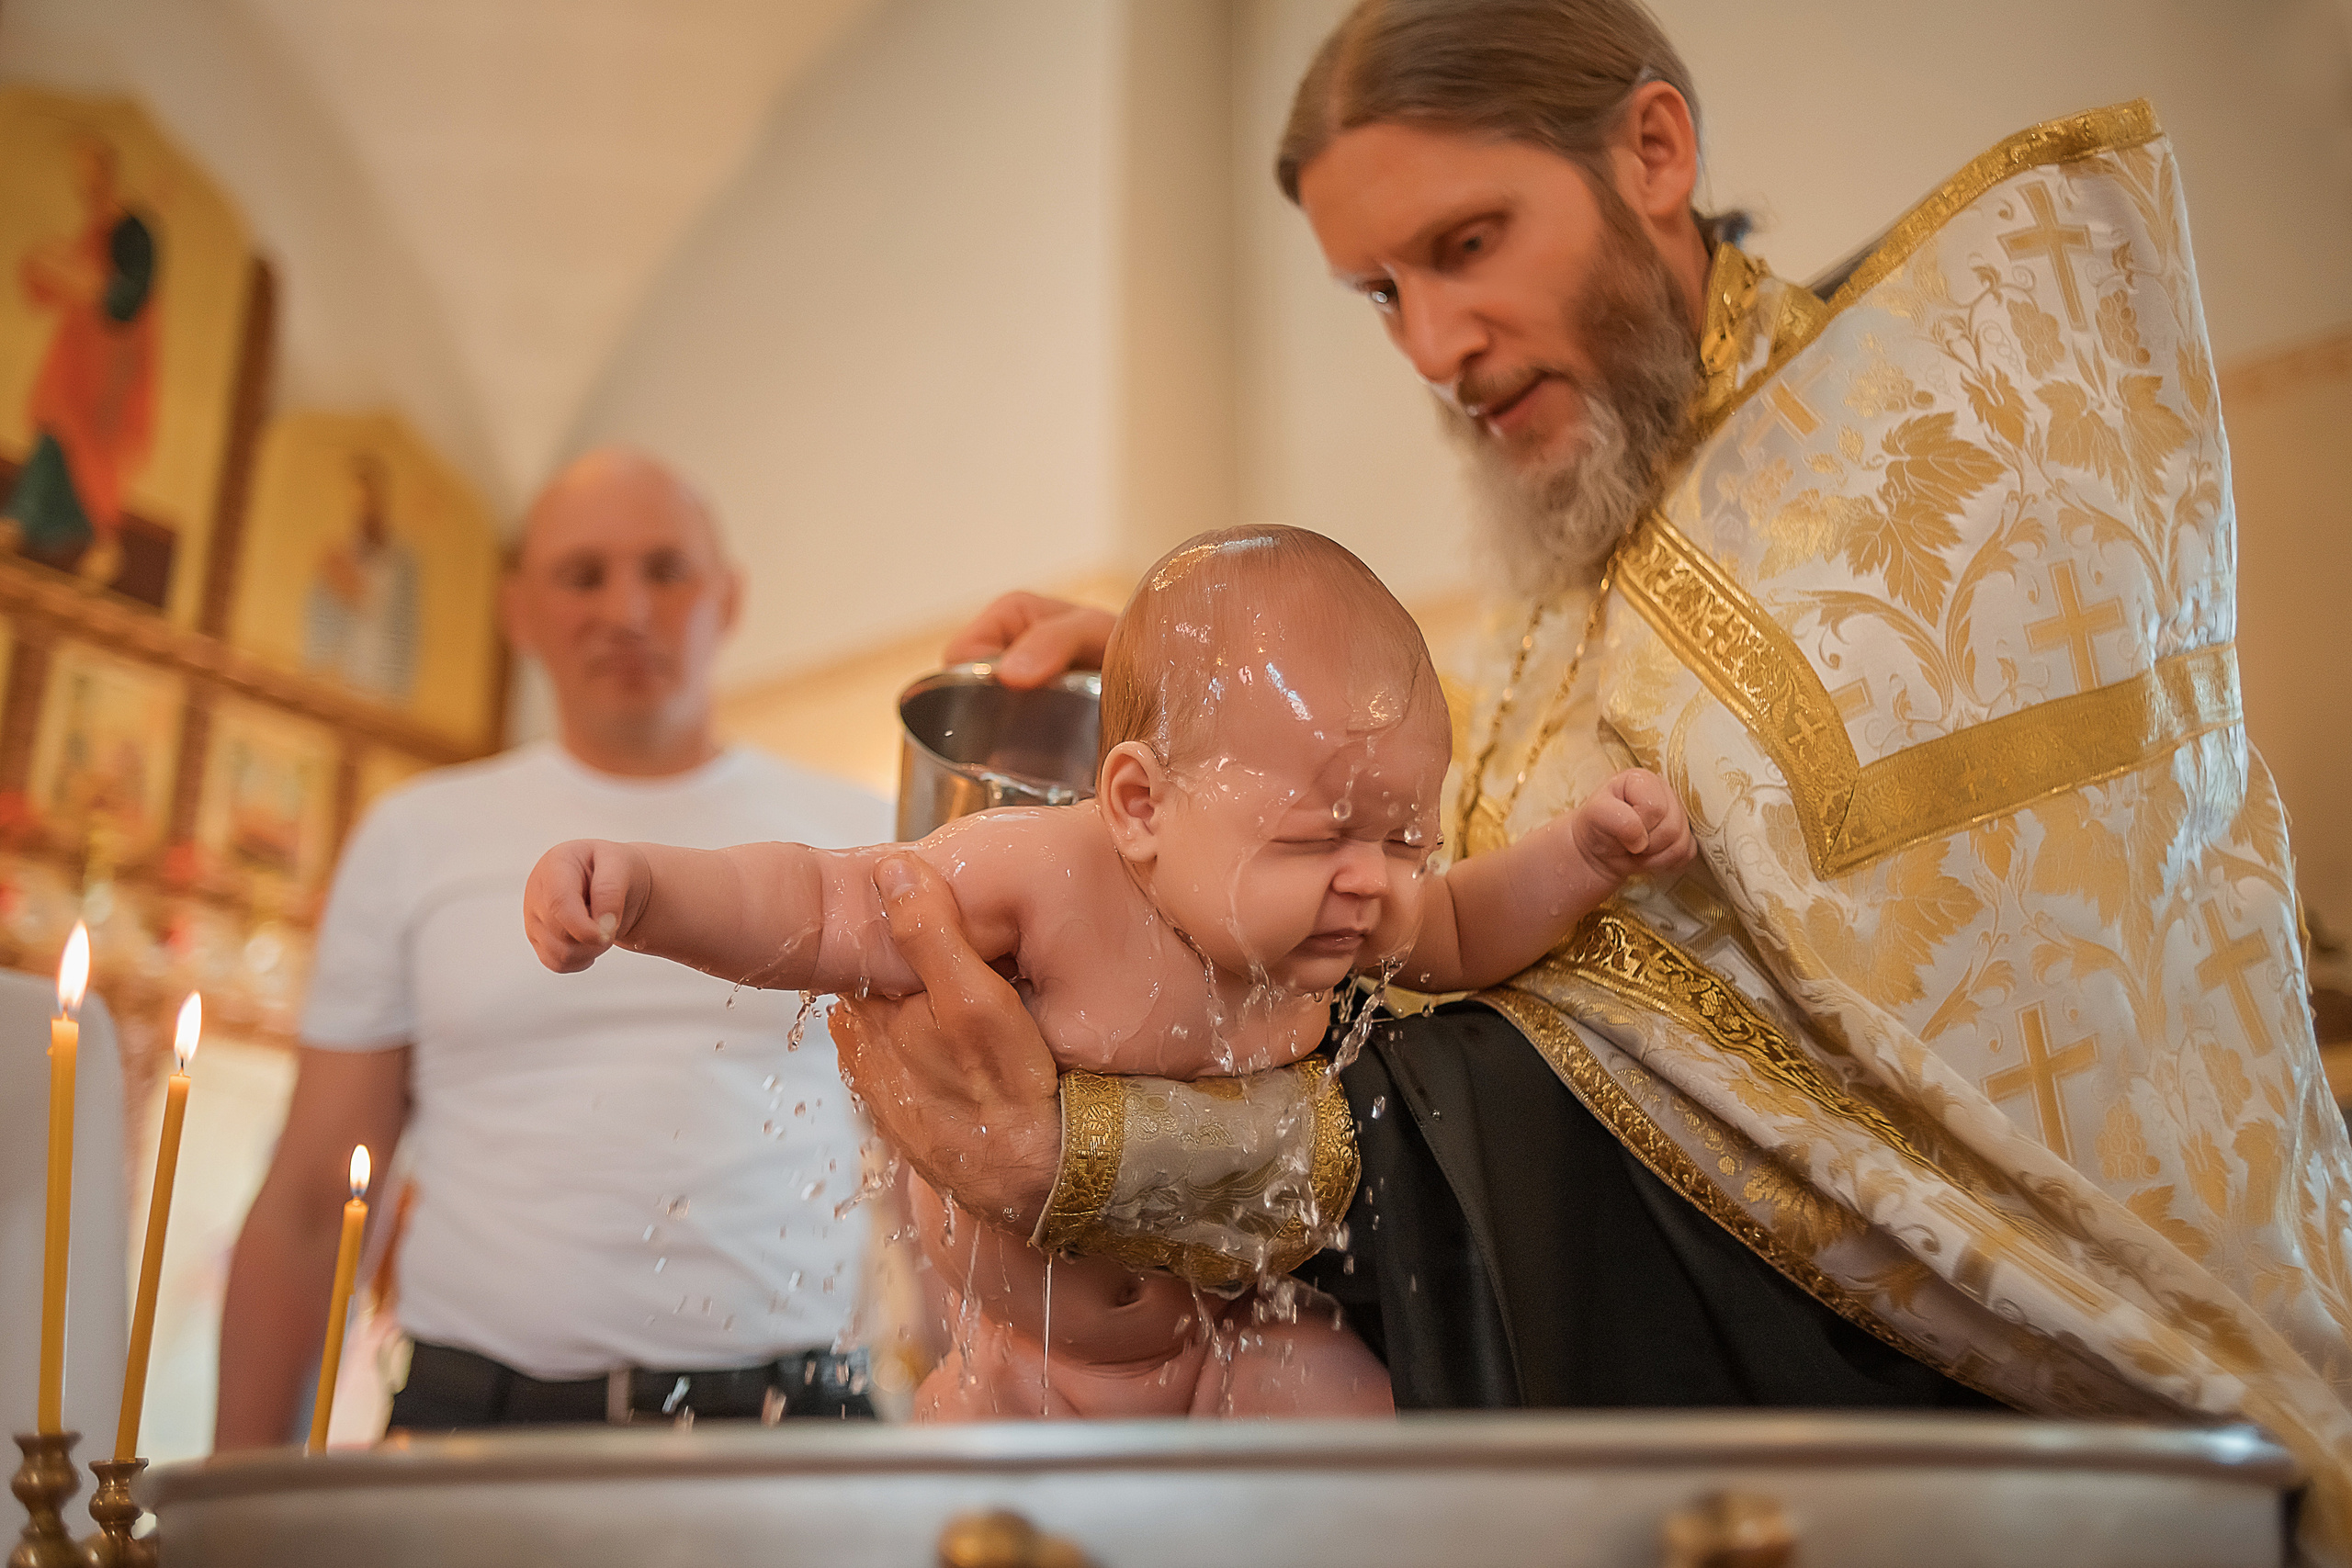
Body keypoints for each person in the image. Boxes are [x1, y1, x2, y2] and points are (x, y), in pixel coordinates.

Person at [830, 2, 2352, 1560]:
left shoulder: (1910, 495)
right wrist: (1219, 715)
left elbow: (1663, 1085)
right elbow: (1503, 853)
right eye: (1382, 291)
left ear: (1653, 151)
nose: (1434, 347)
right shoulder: (1609, 541)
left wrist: (1102, 1156)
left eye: (1470, 241)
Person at [523, 525, 1690, 1419]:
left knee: (1352, 1418)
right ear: (1136, 803)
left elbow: (1468, 929)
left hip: (1236, 1344)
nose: (1371, 883)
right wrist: (645, 891)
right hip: (1020, 1368)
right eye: (1316, 837)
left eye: (1403, 839)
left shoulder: (1339, 919)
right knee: (959, 1499)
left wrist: (1581, 857)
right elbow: (823, 902)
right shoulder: (1041, 878)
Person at [217, 447, 888, 1444]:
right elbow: (317, 1198)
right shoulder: (414, 836)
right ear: (518, 609)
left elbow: (946, 1184)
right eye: (583, 574)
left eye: (666, 570)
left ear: (728, 599)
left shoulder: (861, 836)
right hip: (471, 1429)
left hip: (794, 1427)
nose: (627, 609)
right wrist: (237, 1495)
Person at [1, 134, 156, 590]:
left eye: (92, 174)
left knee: (91, 447)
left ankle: (106, 543)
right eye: (80, 178)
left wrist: (90, 286)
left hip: (109, 364)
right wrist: (42, 268)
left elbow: (130, 297)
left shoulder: (131, 232)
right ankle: (21, 523)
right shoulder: (95, 228)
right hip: (74, 356)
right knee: (54, 432)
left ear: (108, 173)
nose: (86, 186)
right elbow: (50, 283)